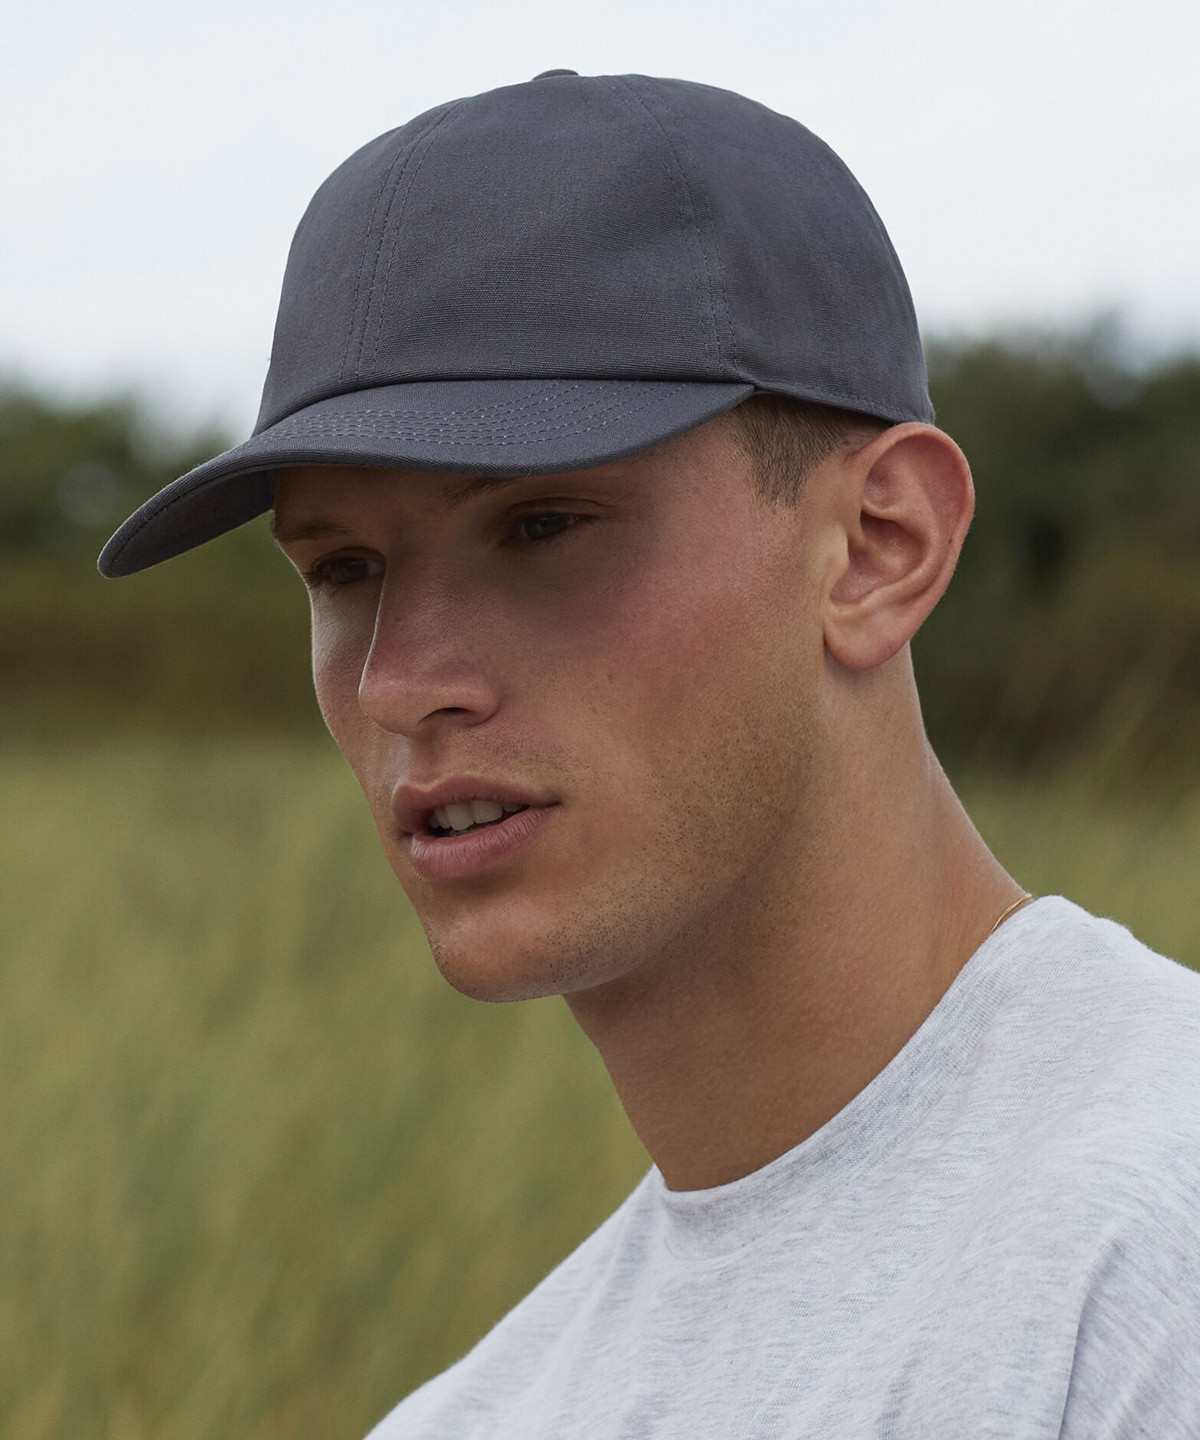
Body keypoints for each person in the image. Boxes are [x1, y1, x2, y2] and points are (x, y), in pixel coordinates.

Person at [98, 70, 1200, 1438]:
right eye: (345, 569)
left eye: (542, 527)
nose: (399, 681)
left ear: (880, 546)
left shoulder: (1153, 1251)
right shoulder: (473, 1418)